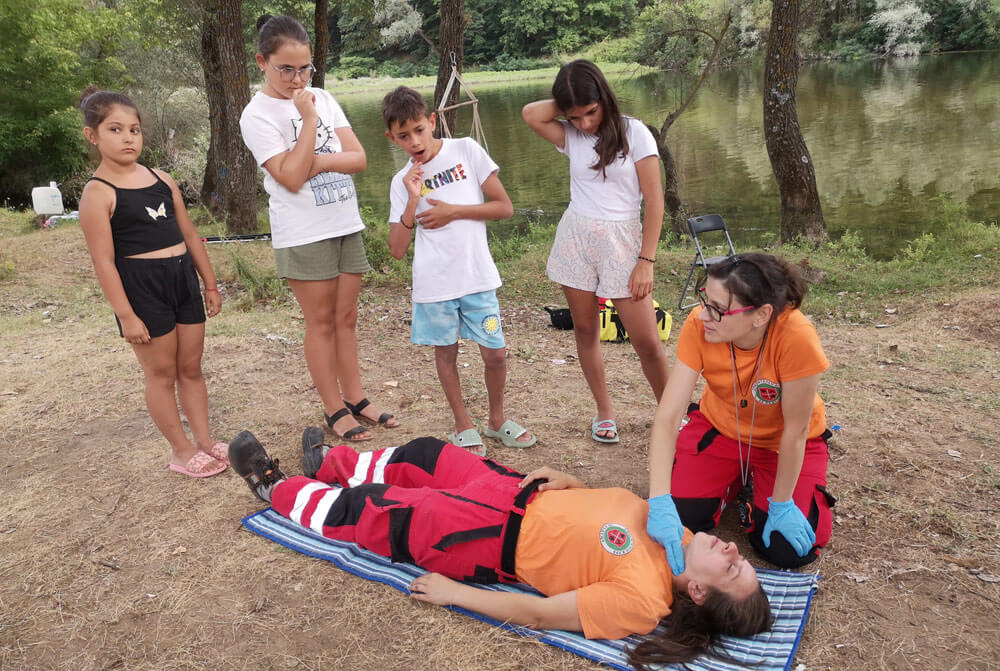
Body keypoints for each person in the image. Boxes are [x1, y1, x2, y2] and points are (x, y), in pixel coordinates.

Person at [228, 429, 772, 666]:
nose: (732, 551)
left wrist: (456, 594)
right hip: (511, 490)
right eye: (739, 558)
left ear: (698, 592)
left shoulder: (641, 601)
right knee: (423, 455)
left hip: (487, 537)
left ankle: (277, 489)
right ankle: (330, 464)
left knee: (372, 511)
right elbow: (603, 519)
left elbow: (539, 614)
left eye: (732, 569)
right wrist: (574, 483)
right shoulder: (678, 536)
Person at [239, 15, 398, 442]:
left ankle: (356, 398)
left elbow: (358, 159)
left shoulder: (323, 97)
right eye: (286, 69)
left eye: (305, 68)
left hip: (344, 220)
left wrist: (317, 161)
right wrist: (307, 120)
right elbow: (290, 178)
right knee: (321, 322)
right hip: (303, 231)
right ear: (262, 62)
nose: (297, 79)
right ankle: (333, 409)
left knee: (346, 317)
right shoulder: (257, 115)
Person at [646, 253, 836, 572]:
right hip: (721, 430)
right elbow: (668, 415)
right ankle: (736, 481)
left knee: (788, 550)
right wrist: (659, 500)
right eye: (705, 300)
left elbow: (796, 430)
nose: (704, 315)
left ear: (761, 314)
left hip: (781, 445)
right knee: (681, 520)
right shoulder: (699, 325)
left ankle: (755, 491)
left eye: (718, 309)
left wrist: (782, 502)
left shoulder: (796, 335)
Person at [78, 88, 228, 478]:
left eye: (134, 129)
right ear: (92, 136)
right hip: (142, 289)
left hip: (182, 279)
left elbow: (190, 234)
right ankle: (181, 451)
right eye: (115, 129)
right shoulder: (98, 194)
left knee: (191, 367)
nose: (128, 138)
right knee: (161, 373)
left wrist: (210, 284)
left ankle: (204, 441)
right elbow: (103, 262)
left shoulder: (162, 179)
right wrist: (126, 315)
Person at [522, 60, 670, 444]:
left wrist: (646, 261)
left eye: (590, 111)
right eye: (574, 116)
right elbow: (530, 114)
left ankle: (673, 416)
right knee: (586, 330)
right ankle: (604, 411)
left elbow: (655, 201)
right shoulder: (571, 135)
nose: (585, 123)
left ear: (604, 98)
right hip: (577, 238)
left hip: (623, 242)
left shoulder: (635, 133)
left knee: (647, 342)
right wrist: (568, 104)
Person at [383, 86, 534, 455]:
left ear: (432, 121)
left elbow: (504, 207)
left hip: (476, 276)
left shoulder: (465, 150)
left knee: (495, 353)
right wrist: (412, 200)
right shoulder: (402, 182)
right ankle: (463, 423)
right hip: (436, 283)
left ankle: (496, 420)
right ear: (391, 138)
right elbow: (397, 250)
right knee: (446, 353)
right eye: (403, 136)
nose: (415, 141)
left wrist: (454, 211)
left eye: (419, 130)